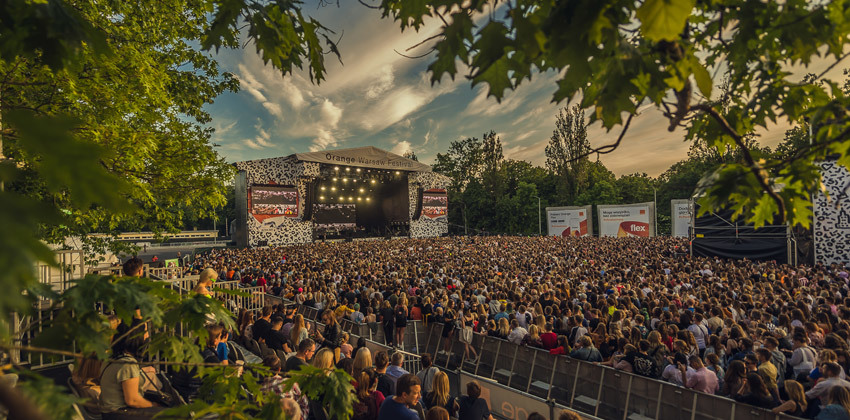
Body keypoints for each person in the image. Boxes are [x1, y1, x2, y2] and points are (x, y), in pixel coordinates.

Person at [99, 333, 164, 419]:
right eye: (145, 333)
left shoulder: (112, 358)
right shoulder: (128, 364)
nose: (147, 336)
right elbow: (133, 401)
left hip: (108, 413)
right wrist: (153, 405)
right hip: (120, 414)